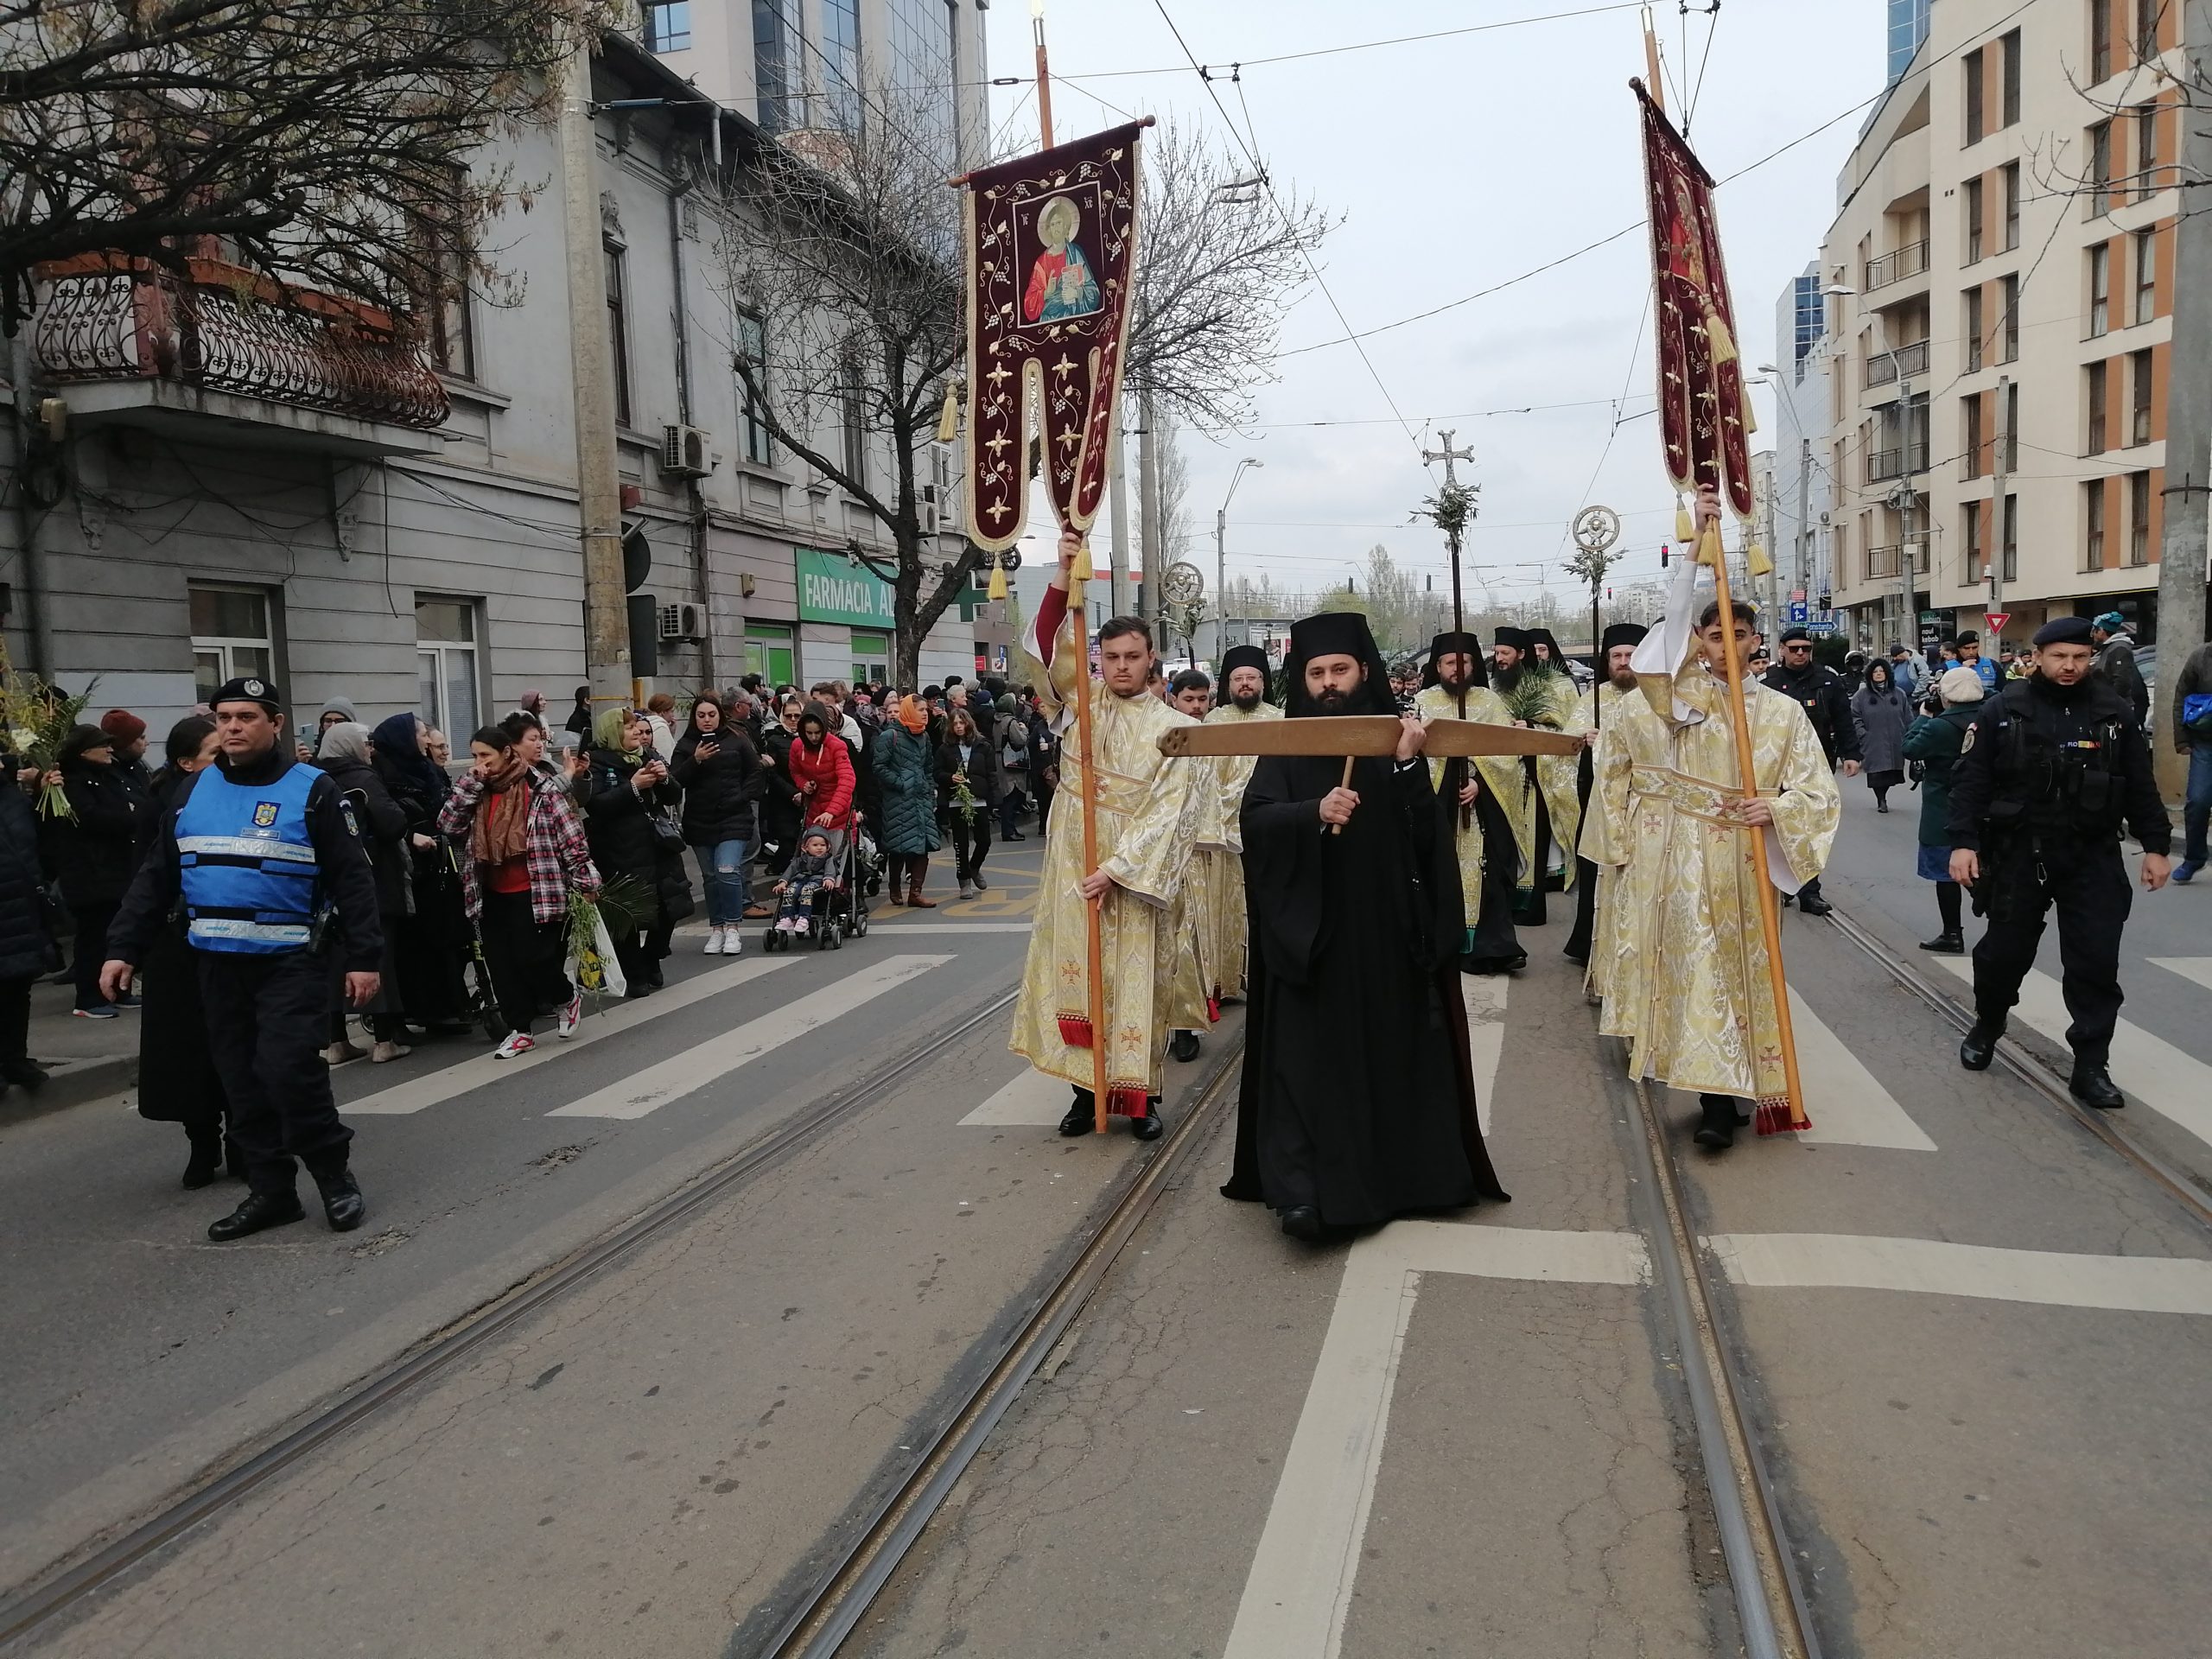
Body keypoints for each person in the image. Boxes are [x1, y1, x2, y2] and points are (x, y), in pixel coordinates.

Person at [1220, 608, 1511, 1239]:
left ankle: (1400, 1178)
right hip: (1312, 937)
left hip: (1382, 935)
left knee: (1386, 1058)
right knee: (1304, 1066)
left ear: (1365, 672)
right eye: (1316, 672)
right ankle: (1300, 1192)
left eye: (1340, 670)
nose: (1328, 683)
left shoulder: (1398, 741)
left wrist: (1408, 767)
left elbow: (1425, 840)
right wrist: (1312, 811)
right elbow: (1256, 822)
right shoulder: (1285, 746)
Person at [101, 677, 382, 1240]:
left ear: (275, 724)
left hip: (290, 962)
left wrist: (364, 958)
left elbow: (353, 879)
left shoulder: (313, 790)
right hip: (216, 964)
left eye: (246, 717)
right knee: (240, 1083)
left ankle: (333, 1177)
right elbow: (157, 876)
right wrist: (122, 949)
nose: (231, 726)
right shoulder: (191, 791)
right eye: (224, 717)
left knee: (289, 1072)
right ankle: (272, 1191)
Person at [1586, 572, 1841, 1152]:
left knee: (1744, 974)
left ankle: (1744, 1080)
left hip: (1749, 867)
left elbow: (1819, 793)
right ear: (1699, 641)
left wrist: (1775, 806)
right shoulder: (1682, 705)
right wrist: (1696, 543)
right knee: (1702, 974)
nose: (1728, 645)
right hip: (1686, 863)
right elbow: (1652, 667)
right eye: (1715, 634)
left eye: (1740, 633)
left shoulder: (1782, 713)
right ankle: (1716, 1101)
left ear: (1756, 641)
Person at [1010, 532, 1205, 1141]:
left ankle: (1140, 1100)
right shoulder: (1079, 705)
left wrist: (1118, 868)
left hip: (1131, 876)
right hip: (1073, 860)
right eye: (1111, 656)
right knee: (1081, 979)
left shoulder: (1176, 728)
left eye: (1132, 656)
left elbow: (1172, 811)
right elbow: (1041, 649)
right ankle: (1082, 1093)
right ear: (1100, 658)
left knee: (1137, 980)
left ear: (1151, 660)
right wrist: (1063, 579)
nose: (1121, 666)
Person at [1947, 615, 2171, 1108]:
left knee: (2094, 963)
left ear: (2089, 657)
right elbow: (1972, 782)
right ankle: (1988, 1023)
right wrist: (1963, 843)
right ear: (2038, 658)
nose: (2069, 666)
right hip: (2020, 854)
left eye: (2078, 657)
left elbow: (2139, 783)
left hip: (2090, 856)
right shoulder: (2004, 710)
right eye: (2058, 657)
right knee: (2002, 955)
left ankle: (2091, 1066)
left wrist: (2156, 845)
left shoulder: (2112, 712)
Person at [438, 724, 601, 1056]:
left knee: (534, 959)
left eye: (486, 755)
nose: (480, 763)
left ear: (506, 753)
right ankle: (520, 1029)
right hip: (490, 891)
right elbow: (447, 825)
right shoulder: (476, 790)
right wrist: (470, 783)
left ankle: (565, 997)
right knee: (502, 965)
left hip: (536, 888)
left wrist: (586, 880)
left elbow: (571, 838)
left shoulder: (539, 788)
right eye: (474, 756)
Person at [125, 718, 233, 1185]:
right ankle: (202, 1141)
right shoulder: (164, 808)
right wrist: (124, 948)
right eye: (214, 751)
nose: (225, 759)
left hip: (234, 940)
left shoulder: (244, 793)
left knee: (238, 1045)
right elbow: (148, 882)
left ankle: (246, 1142)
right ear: (186, 763)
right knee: (189, 1050)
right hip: (178, 944)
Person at [1414, 632, 1529, 973]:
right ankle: (1442, 943)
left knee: (1487, 873)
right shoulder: (1423, 701)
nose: (1457, 668)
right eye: (1450, 662)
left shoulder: (1489, 702)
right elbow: (1414, 755)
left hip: (1481, 810)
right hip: (1439, 806)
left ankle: (1490, 947)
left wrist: (1480, 782)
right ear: (1438, 666)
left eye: (1465, 662)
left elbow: (1507, 753)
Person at [313, 721, 413, 1063]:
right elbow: (392, 822)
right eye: (364, 742)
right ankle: (385, 1041)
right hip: (371, 877)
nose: (369, 749)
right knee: (375, 955)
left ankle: (335, 1041)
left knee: (332, 961)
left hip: (324, 884)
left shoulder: (310, 778)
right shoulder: (363, 778)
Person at [576, 708, 687, 995]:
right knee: (627, 915)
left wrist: (664, 779)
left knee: (669, 907)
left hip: (658, 845)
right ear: (612, 733)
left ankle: (653, 957)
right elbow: (596, 805)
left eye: (637, 727)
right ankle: (634, 972)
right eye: (628, 728)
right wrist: (634, 787)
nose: (637, 732)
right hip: (619, 850)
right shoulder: (598, 763)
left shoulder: (648, 755)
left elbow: (673, 795)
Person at [371, 711, 467, 1033]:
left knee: (445, 938)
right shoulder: (383, 774)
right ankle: (425, 1009)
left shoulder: (426, 770)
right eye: (422, 735)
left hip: (439, 865)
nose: (428, 741)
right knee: (418, 946)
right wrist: (413, 835)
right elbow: (389, 820)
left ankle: (449, 1005)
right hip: (412, 872)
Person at [1200, 646, 1281, 1011]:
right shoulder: (1212, 723)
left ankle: (1266, 974)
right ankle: (1227, 977)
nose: (1245, 683)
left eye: (1252, 677)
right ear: (1228, 684)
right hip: (1223, 833)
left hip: (1269, 829)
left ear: (1263, 682)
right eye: (1238, 678)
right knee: (1227, 906)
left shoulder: (1281, 720)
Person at [1562, 622, 1647, 970]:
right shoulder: (1592, 698)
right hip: (1600, 802)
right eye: (1617, 656)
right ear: (1607, 661)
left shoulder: (1658, 697)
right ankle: (1590, 943)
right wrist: (1586, 740)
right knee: (1598, 873)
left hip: (1644, 804)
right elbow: (1567, 742)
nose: (1624, 662)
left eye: (1631, 655)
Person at [45, 724, 143, 1018]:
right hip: (90, 873)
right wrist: (131, 820)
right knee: (94, 937)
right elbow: (89, 820)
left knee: (114, 934)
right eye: (104, 745)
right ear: (84, 751)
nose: (110, 750)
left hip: (115, 870)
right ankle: (88, 998)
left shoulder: (107, 776)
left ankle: (117, 990)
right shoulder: (72, 783)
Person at [1761, 626, 1861, 915]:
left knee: (1809, 826)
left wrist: (1851, 754)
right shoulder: (1768, 681)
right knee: (1778, 826)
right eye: (1794, 649)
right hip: (1776, 764)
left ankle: (1810, 891)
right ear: (1782, 650)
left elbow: (1844, 719)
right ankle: (1780, 886)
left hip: (1817, 763)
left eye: (1806, 649)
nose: (1801, 654)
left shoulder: (1827, 681)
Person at [1487, 626, 1580, 923]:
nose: (1499, 658)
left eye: (1505, 653)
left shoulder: (1553, 685)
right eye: (1497, 652)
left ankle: (1529, 907)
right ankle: (1505, 902)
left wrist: (1531, 727)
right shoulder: (1494, 686)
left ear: (1521, 654)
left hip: (1536, 772)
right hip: (1503, 773)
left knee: (1533, 839)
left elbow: (1568, 731)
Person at [671, 693, 765, 956]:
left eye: (711, 715)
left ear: (720, 716)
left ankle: (733, 927)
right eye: (701, 716)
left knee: (726, 869)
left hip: (734, 818)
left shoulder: (736, 739)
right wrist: (696, 760)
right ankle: (717, 928)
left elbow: (756, 772)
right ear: (694, 718)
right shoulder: (686, 745)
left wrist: (741, 797)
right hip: (700, 820)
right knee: (711, 877)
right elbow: (675, 781)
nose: (707, 720)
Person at [1900, 667, 1985, 954]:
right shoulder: (1991, 716)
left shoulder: (1939, 726)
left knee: (1945, 873)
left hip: (1943, 807)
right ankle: (1997, 911)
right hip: (1984, 805)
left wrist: (1924, 715)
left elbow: (1910, 749)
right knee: (1983, 866)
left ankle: (1952, 933)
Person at [0, 751, 60, 1107]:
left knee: (17, 988)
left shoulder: (11, 793)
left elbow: (41, 841)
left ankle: (15, 1059)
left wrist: (45, 795)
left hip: (20, 908)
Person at [876, 695, 943, 906]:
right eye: (921, 710)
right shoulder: (890, 736)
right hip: (899, 800)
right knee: (899, 846)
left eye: (926, 710)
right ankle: (894, 887)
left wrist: (929, 788)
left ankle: (915, 892)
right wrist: (900, 783)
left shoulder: (924, 736)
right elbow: (879, 767)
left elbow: (928, 767)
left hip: (921, 798)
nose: (926, 713)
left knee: (924, 845)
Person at [937, 704, 1000, 901]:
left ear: (968, 723)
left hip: (978, 798)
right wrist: (950, 777)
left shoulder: (983, 745)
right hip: (956, 800)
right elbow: (936, 773)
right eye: (954, 723)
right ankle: (964, 880)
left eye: (961, 722)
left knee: (984, 841)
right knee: (960, 844)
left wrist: (995, 797)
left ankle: (974, 868)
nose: (958, 726)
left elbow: (991, 772)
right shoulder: (945, 748)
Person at [785, 700, 855, 860]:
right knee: (814, 857)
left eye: (817, 732)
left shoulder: (837, 746)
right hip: (813, 808)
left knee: (836, 858)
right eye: (809, 733)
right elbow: (795, 771)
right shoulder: (797, 746)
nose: (813, 737)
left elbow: (847, 780)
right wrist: (804, 784)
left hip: (838, 811)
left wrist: (831, 811)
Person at [2174, 634, 2212, 883]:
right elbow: (2180, 697)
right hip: (2205, 742)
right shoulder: (2201, 657)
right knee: (2198, 801)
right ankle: (2194, 858)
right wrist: (2182, 740)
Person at [1850, 659, 1911, 812]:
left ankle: (1884, 795)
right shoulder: (1861, 695)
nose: (1878, 674)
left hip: (1895, 740)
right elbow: (1855, 716)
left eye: (1881, 671)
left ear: (1887, 674)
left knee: (1891, 773)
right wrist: (1862, 733)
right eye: (1875, 672)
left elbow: (1908, 716)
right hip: (1873, 741)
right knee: (1876, 773)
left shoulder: (1899, 693)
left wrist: (1909, 733)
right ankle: (1881, 800)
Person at [2089, 611, 2151, 729]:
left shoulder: (2119, 648)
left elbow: (2122, 682)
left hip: (2119, 710)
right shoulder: (2109, 649)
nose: (2093, 636)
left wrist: (2108, 705)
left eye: (2094, 631)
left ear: (2101, 630)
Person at [771, 827, 836, 936]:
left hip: (817, 880)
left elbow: (830, 870)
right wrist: (783, 882)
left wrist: (829, 878)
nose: (819, 848)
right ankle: (787, 917)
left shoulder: (827, 859)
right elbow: (790, 871)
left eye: (823, 845)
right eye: (815, 845)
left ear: (828, 847)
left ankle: (804, 918)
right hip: (801, 879)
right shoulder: (800, 860)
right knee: (789, 891)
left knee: (807, 890)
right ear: (806, 848)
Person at [994, 693, 1031, 841]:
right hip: (1011, 762)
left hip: (999, 758)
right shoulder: (1011, 722)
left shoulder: (996, 720)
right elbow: (1019, 741)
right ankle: (1009, 831)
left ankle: (1009, 829)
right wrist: (1025, 731)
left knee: (1006, 796)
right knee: (1011, 796)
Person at [99, 709, 151, 798]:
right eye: (142, 738)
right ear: (127, 743)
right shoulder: (106, 776)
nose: (147, 743)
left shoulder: (140, 766)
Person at [1955, 630, 2002, 696]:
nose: (1971, 652)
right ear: (1959, 649)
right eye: (1966, 648)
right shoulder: (1948, 667)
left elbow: (2003, 693)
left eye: (1975, 648)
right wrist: (1962, 672)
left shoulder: (1993, 665)